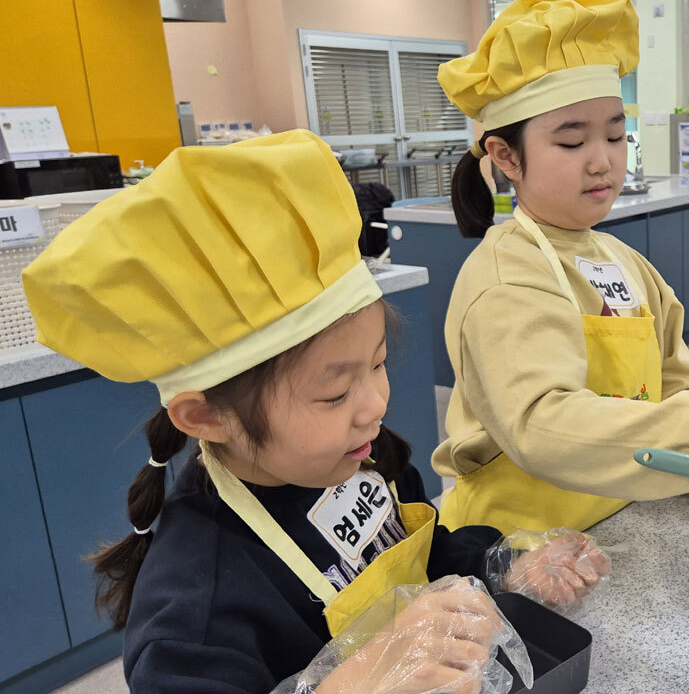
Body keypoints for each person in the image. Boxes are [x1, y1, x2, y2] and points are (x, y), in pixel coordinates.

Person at [21, 130, 607, 693]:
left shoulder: (362, 458)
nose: (376, 405)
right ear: (204, 417)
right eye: (333, 394)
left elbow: (414, 554)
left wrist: (502, 563)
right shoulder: (196, 600)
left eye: (377, 366)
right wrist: (344, 684)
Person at [431, 0, 689, 535]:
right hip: (528, 545)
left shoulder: (622, 260)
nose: (602, 159)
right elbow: (541, 425)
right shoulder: (507, 276)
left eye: (613, 133)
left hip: (623, 516)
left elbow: (678, 382)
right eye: (572, 140)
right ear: (507, 156)